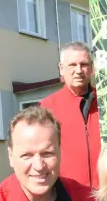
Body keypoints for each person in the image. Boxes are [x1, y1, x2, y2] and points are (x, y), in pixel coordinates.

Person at [40, 41, 101, 191]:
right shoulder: (47, 107)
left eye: (84, 64)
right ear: (61, 68)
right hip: (68, 196)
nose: (79, 70)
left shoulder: (106, 102)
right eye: (72, 65)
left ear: (92, 68)